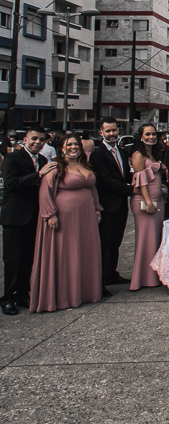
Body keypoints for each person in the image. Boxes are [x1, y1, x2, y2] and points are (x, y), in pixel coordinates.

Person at [30, 134, 104, 313]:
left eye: (76, 144)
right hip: (64, 218)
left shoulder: (85, 165)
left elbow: (92, 188)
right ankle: (64, 296)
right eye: (69, 144)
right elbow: (45, 191)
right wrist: (50, 214)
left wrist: (96, 208)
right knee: (66, 254)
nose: (73, 147)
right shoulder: (56, 167)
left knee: (85, 253)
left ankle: (84, 292)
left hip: (86, 218)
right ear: (62, 148)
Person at [1, 126, 48, 315]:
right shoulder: (12, 158)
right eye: (34, 139)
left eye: (42, 140)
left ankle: (22, 293)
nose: (38, 142)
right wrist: (38, 175)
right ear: (25, 139)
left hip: (34, 215)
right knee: (12, 258)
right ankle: (7, 298)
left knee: (28, 257)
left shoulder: (43, 160)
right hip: (15, 215)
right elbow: (11, 183)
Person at [89, 119, 133, 287]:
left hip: (121, 204)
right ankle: (101, 279)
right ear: (101, 133)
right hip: (107, 205)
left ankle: (111, 273)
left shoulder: (120, 152)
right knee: (105, 243)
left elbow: (125, 175)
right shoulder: (98, 154)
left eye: (114, 130)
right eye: (108, 131)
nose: (112, 134)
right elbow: (106, 180)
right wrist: (131, 190)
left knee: (116, 241)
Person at [130, 124, 167, 291]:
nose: (151, 137)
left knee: (155, 239)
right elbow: (140, 181)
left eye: (153, 134)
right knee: (146, 239)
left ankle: (154, 275)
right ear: (141, 136)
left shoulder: (152, 153)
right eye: (148, 134)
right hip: (146, 201)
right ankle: (144, 278)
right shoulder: (138, 155)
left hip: (157, 199)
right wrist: (149, 202)